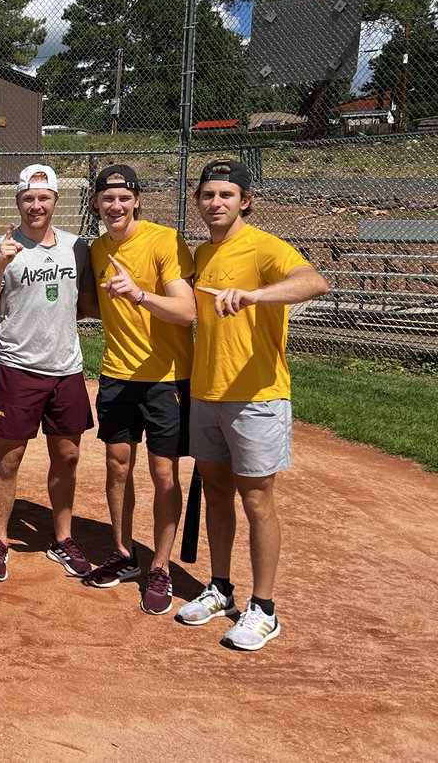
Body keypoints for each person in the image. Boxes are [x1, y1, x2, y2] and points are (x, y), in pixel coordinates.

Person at [177, 159, 328, 651]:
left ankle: (264, 608)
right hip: (207, 390)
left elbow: (313, 282)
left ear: (246, 201)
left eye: (226, 194)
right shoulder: (201, 252)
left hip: (258, 395)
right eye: (207, 195)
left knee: (257, 499)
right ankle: (220, 587)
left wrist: (256, 296)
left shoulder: (265, 246)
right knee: (217, 494)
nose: (215, 202)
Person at [80, 164, 196, 615]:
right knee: (116, 467)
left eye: (124, 198)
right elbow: (88, 305)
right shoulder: (95, 249)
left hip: (167, 378)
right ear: (96, 203)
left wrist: (139, 295)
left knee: (164, 474)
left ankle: (160, 566)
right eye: (107, 199)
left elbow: (186, 312)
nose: (116, 206)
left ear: (137, 200)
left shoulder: (165, 240)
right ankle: (125, 554)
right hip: (117, 374)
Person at [0, 164, 95, 583]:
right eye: (28, 198)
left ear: (55, 201)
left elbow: (83, 303)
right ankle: (0, 540)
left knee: (68, 456)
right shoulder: (0, 249)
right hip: (19, 367)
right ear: (18, 201)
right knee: (9, 459)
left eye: (44, 198)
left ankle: (62, 538)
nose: (36, 205)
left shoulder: (77, 248)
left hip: (67, 367)